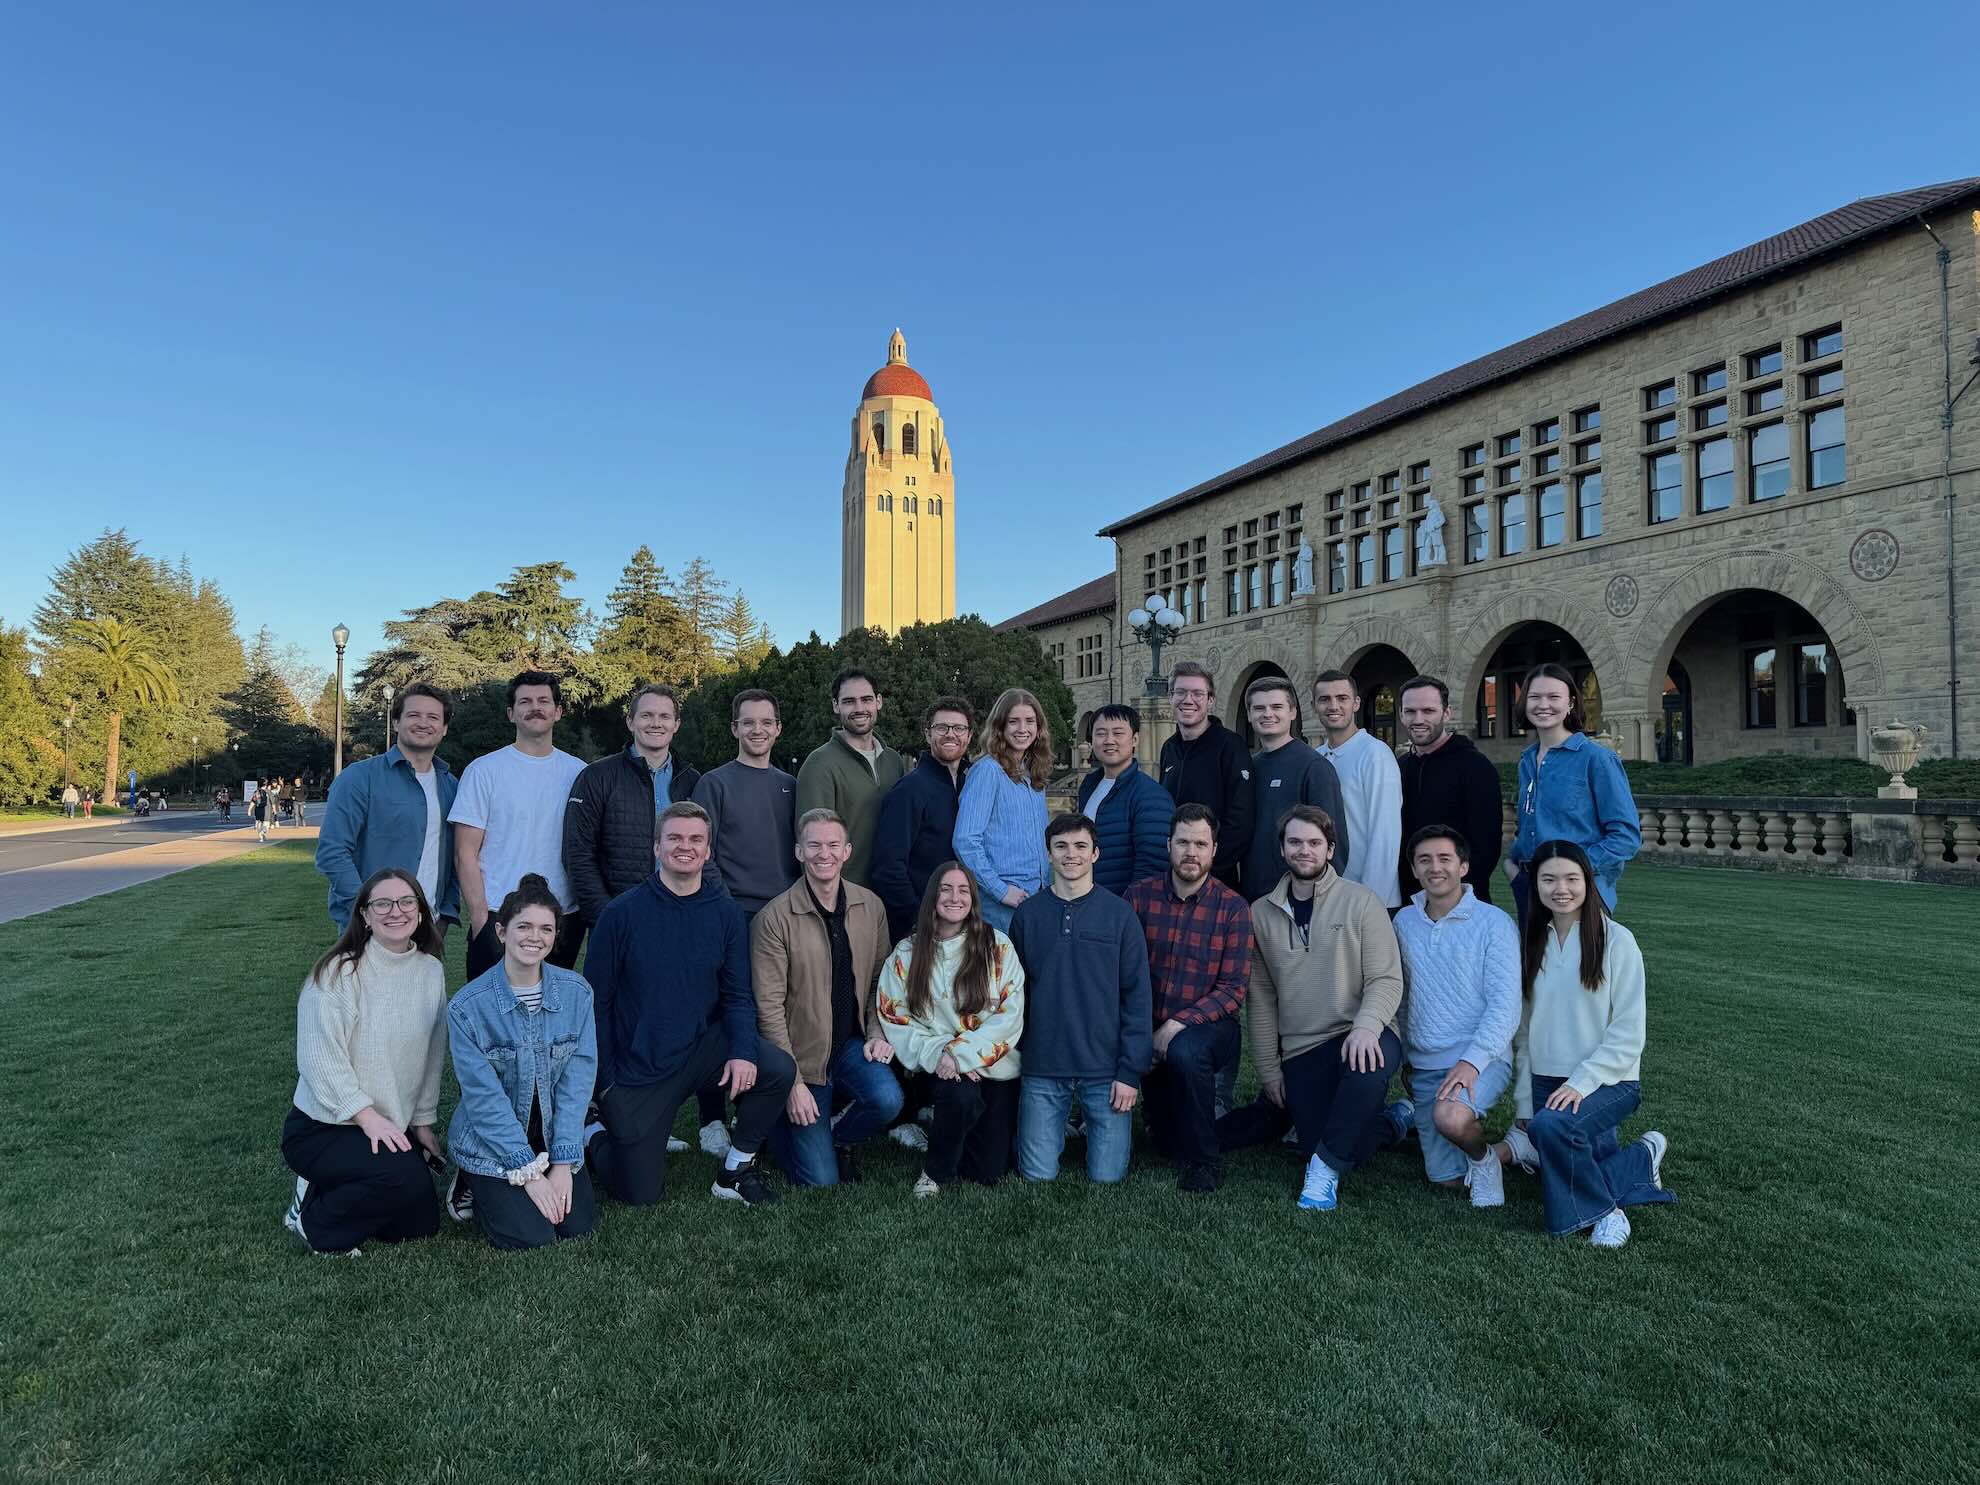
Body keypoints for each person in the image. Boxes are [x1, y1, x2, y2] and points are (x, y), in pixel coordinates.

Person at [582, 802, 797, 1208]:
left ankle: (736, 1170)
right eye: (675, 838)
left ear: (708, 850)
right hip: (639, 1069)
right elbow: (595, 1005)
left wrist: (742, 1052)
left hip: (700, 1050)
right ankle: (592, 1132)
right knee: (637, 1194)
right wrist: (605, 1082)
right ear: (656, 847)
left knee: (777, 1068)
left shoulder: (726, 913)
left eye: (696, 839)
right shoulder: (620, 914)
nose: (686, 846)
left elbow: (737, 995)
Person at [1216, 805, 1408, 1211]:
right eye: (1295, 842)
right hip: (1304, 1047)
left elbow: (1386, 978)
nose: (1305, 850)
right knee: (1333, 1140)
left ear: (1330, 849)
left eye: (1314, 843)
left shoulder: (1362, 902)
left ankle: (1322, 1173)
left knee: (1363, 1072)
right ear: (1282, 849)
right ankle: (1392, 1122)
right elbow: (1262, 999)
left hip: (1363, 1031)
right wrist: (1270, 1070)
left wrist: (1367, 1026)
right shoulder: (1260, 913)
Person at [280, 867, 447, 1256]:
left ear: (421, 912)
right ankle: (312, 1222)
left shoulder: (430, 971)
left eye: (406, 902)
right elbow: (319, 1060)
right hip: (326, 1125)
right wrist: (367, 1116)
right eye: (382, 904)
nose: (396, 911)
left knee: (420, 1224)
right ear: (365, 916)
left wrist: (422, 1122)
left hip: (387, 1125)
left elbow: (433, 1052)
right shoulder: (338, 972)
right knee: (401, 1179)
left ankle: (335, 1186)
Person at [1518, 839, 1673, 1247]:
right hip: (1546, 1080)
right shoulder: (1532, 941)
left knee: (1552, 1129)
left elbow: (1628, 1035)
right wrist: (1523, 1103)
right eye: (1549, 879)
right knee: (1567, 1154)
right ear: (1535, 884)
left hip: (1609, 1081)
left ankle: (1607, 1214)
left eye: (1572, 878)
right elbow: (1525, 1032)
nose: (1561, 889)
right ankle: (1640, 1160)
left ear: (1588, 881)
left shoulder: (1618, 941)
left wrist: (1580, 1083)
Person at [444, 874, 598, 1249]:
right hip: (492, 1139)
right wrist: (527, 1172)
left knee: (576, 1226)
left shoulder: (577, 994)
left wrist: (562, 1162)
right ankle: (472, 1180)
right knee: (532, 1236)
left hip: (550, 1132)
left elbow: (577, 1082)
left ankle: (533, 1177)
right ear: (501, 932)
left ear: (556, 936)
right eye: (524, 926)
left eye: (546, 929)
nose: (535, 937)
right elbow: (483, 1098)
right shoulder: (468, 1007)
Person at [754, 809, 901, 1186]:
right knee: (819, 1180)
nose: (825, 853)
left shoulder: (870, 906)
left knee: (888, 1100)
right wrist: (792, 1083)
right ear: (799, 852)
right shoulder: (774, 918)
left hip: (849, 1046)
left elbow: (879, 982)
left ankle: (839, 1136)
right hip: (801, 1057)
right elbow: (768, 1009)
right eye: (814, 845)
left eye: (833, 845)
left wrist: (875, 1034)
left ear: (847, 851)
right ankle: (774, 1122)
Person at [1010, 813, 1152, 1185]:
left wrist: (1129, 1073)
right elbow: (1014, 994)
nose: (1070, 854)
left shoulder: (1120, 915)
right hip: (1043, 1066)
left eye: (1080, 846)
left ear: (1095, 854)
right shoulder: (1027, 916)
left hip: (1105, 1070)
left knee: (1107, 1177)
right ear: (1048, 854)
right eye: (1061, 846)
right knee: (1037, 1175)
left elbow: (1137, 999)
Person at [688, 687, 800, 1156]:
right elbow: (702, 851)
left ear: (778, 729)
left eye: (766, 722)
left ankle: (756, 1101)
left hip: (783, 915)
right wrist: (727, 908)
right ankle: (711, 1117)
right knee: (722, 1010)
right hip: (732, 912)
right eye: (748, 722)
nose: (758, 730)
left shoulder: (789, 784)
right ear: (734, 728)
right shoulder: (714, 783)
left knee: (772, 1009)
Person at [875, 863, 1026, 1197]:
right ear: (933, 896)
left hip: (994, 1065)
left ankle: (950, 1123)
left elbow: (1010, 1015)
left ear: (973, 899)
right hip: (938, 1064)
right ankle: (935, 1172)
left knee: (987, 1172)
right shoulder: (907, 953)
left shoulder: (996, 946)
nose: (955, 897)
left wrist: (963, 1054)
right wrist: (944, 1054)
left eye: (963, 890)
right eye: (946, 889)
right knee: (960, 1096)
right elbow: (895, 1018)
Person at [1121, 805, 1250, 1193]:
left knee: (1184, 1051)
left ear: (1214, 850)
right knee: (1166, 1142)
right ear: (1168, 846)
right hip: (1148, 1024)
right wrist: (1141, 1033)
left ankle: (1204, 1164)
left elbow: (1232, 990)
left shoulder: (1233, 908)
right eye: (1183, 843)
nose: (1191, 852)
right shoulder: (1138, 898)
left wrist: (1173, 1027)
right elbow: (1120, 973)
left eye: (1200, 844)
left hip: (1208, 1029)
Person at [1392, 825, 1521, 1208]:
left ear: (1463, 867)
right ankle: (1514, 1149)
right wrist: (1405, 1055)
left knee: (1451, 1118)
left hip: (1481, 1058)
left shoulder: (1494, 923)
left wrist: (1472, 1062)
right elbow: (1402, 997)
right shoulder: (1403, 923)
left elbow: (1505, 1005)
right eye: (1425, 860)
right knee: (1445, 1179)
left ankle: (1486, 1161)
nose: (1435, 867)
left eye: (1445, 859)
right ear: (1414, 870)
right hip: (1425, 1064)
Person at [451, 671, 588, 981]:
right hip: (499, 914)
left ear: (558, 711)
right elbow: (464, 852)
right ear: (511, 713)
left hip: (562, 916)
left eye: (543, 701)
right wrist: (480, 918)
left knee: (552, 1006)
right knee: (492, 1007)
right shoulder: (483, 771)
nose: (535, 707)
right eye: (525, 701)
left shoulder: (580, 773)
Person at [315, 683, 460, 934]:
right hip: (370, 929)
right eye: (413, 715)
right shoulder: (359, 778)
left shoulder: (452, 786)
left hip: (430, 929)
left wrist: (446, 913)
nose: (423, 723)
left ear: (444, 728)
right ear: (395, 723)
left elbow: (457, 856)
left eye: (433, 717)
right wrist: (366, 911)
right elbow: (333, 852)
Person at [1505, 664, 1642, 924]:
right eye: (1534, 697)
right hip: (1532, 891)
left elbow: (1626, 836)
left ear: (1570, 703)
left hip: (1582, 894)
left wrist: (1570, 870)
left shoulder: (1596, 759)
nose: (1543, 704)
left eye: (1553, 697)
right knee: (1531, 953)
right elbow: (1532, 827)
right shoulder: (1527, 760)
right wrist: (1512, 867)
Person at [564, 683, 702, 934]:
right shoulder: (597, 776)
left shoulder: (693, 781)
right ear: (630, 722)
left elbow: (704, 852)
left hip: (681, 916)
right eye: (646, 715)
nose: (656, 723)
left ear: (676, 724)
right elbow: (578, 854)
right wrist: (607, 917)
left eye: (664, 716)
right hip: (618, 920)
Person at [1237, 677, 1351, 901]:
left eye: (1276, 707)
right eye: (1259, 708)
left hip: (1299, 899)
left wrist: (1317, 900)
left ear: (1292, 712)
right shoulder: (1248, 767)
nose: (1268, 714)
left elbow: (1334, 843)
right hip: (1254, 898)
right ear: (1249, 715)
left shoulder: (1314, 767)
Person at [871, 697, 974, 943]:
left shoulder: (971, 787)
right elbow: (888, 867)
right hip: (922, 930)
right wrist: (918, 921)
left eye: (959, 728)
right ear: (928, 734)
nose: (951, 734)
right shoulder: (910, 790)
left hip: (963, 926)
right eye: (942, 727)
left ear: (969, 736)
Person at [1397, 675, 1506, 904]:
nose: (1418, 719)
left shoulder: (1476, 767)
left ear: (1446, 713)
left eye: (1428, 711)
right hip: (1409, 903)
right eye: (1410, 711)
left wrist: (1450, 899)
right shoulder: (1399, 768)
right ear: (1401, 714)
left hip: (1462, 902)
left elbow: (1486, 848)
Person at [952, 688, 1052, 933]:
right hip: (999, 903)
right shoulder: (988, 771)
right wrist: (1001, 890)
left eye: (1030, 721)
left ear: (1039, 727)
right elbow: (965, 841)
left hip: (1035, 898)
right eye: (1013, 721)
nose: (1022, 729)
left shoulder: (1033, 774)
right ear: (1000, 726)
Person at [795, 668, 906, 888]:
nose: (859, 708)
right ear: (836, 705)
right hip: (843, 896)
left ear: (879, 702)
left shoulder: (893, 761)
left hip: (890, 893)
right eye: (849, 701)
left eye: (866, 699)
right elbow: (811, 845)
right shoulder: (819, 765)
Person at [1157, 663, 1253, 891]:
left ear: (1210, 700)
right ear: (1171, 697)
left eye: (1197, 693)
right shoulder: (1169, 748)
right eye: (1180, 692)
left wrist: (1206, 869)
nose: (1188, 700)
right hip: (1174, 878)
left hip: (1216, 880)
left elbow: (1241, 820)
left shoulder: (1230, 746)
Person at [1312, 670, 1403, 909]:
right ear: (1314, 706)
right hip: (1326, 894)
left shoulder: (1375, 754)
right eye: (1325, 699)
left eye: (1342, 698)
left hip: (1368, 898)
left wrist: (1370, 902)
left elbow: (1385, 834)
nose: (1333, 706)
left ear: (1356, 703)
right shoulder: (1315, 758)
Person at [1076, 704, 1174, 896]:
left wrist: (1125, 909)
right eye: (1101, 733)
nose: (1109, 740)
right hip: (1087, 901)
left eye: (1118, 733)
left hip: (1122, 906)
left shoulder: (1150, 795)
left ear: (1135, 739)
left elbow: (1153, 866)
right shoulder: (1089, 786)